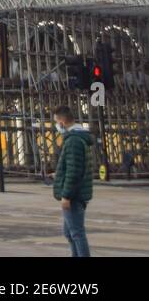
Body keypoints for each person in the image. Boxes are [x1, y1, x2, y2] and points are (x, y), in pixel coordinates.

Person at [52, 106, 95, 258]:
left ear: (62, 122)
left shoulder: (73, 141)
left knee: (76, 232)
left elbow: (74, 171)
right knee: (69, 232)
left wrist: (66, 196)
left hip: (74, 195)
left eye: (56, 122)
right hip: (78, 192)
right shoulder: (77, 138)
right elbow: (73, 166)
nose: (56, 126)